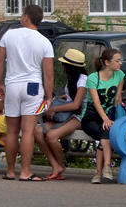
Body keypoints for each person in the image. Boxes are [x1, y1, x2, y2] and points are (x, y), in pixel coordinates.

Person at [0, 3, 54, 181]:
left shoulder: (9, 35)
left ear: (26, 17)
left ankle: (10, 171)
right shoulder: (44, 42)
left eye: (22, 15)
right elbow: (48, 74)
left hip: (12, 85)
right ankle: (26, 172)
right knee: (28, 131)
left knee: (12, 131)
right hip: (33, 86)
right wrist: (49, 96)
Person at [38, 48, 89, 181]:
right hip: (66, 113)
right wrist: (58, 100)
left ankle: (60, 166)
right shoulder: (72, 78)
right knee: (37, 131)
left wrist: (55, 109)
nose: (62, 66)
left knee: (52, 136)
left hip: (79, 115)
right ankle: (55, 165)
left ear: (70, 66)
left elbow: (76, 105)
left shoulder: (83, 80)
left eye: (64, 64)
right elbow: (70, 96)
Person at [84, 48, 125, 184]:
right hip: (91, 116)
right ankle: (105, 168)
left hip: (107, 113)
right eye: (117, 60)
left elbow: (117, 98)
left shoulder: (120, 75)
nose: (120, 63)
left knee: (106, 132)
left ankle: (99, 172)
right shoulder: (93, 78)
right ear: (107, 62)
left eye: (120, 60)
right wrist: (105, 118)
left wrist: (118, 116)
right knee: (105, 135)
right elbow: (95, 101)